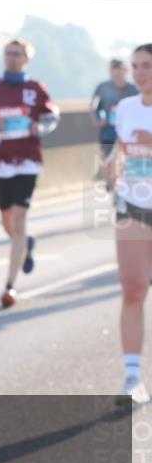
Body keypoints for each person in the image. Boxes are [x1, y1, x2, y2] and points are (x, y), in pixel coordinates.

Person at [0, 38, 60, 308]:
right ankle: (26, 245)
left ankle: (10, 286)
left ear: (27, 59)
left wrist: (40, 128)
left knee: (19, 220)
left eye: (17, 54)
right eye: (8, 53)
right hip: (0, 162)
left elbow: (52, 115)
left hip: (28, 161)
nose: (12, 58)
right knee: (8, 222)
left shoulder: (35, 89)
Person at [102, 44, 152, 405]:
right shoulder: (126, 108)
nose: (140, 72)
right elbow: (122, 147)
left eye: (147, 65)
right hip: (133, 204)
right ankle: (133, 378)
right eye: (136, 66)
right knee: (133, 287)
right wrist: (112, 164)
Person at [92, 58, 139, 167]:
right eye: (114, 70)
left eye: (120, 70)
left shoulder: (134, 89)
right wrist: (97, 120)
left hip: (129, 133)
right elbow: (93, 106)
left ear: (126, 70)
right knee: (107, 160)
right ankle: (110, 182)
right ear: (110, 71)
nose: (117, 73)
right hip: (108, 132)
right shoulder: (102, 87)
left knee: (126, 162)